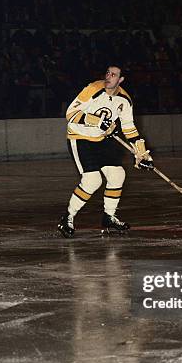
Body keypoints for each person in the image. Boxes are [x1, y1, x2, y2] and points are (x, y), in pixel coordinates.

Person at [58, 65, 154, 238]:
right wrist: (95, 121)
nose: (109, 77)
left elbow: (129, 128)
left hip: (101, 140)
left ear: (121, 79)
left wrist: (142, 154)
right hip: (80, 137)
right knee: (92, 180)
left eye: (114, 74)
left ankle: (109, 216)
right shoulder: (93, 89)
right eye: (107, 73)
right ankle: (67, 218)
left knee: (118, 174)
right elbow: (70, 113)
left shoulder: (124, 100)